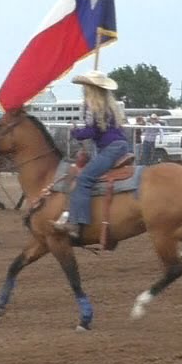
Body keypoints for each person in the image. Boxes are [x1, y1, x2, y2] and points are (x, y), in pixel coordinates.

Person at [54, 70, 130, 238]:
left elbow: (91, 131)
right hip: (119, 146)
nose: (83, 89)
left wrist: (75, 132)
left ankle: (76, 223)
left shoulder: (93, 107)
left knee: (84, 179)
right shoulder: (108, 105)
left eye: (85, 86)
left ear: (91, 89)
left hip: (110, 148)